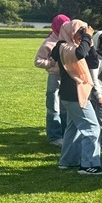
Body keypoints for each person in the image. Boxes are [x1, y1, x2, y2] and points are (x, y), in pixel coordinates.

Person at [51, 20, 102, 175]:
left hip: (73, 94)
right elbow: (79, 54)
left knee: (73, 128)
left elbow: (93, 62)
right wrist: (87, 38)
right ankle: (89, 165)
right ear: (70, 32)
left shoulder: (72, 47)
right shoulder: (63, 47)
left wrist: (88, 42)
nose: (82, 36)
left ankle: (68, 162)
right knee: (92, 128)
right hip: (76, 95)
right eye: (79, 32)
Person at [34, 13, 70, 146]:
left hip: (68, 77)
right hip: (55, 77)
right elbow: (37, 61)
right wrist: (51, 64)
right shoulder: (49, 42)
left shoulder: (70, 39)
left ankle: (67, 133)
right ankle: (54, 136)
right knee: (53, 107)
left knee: (66, 106)